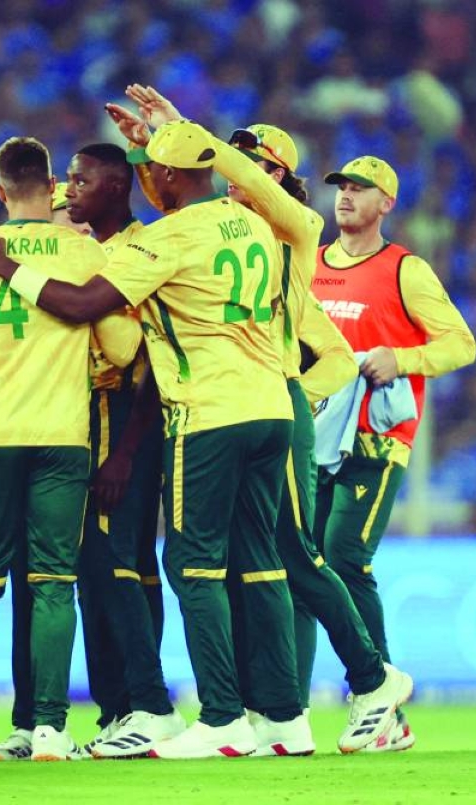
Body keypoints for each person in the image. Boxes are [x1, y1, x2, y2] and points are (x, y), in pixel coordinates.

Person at [0, 120, 309, 759]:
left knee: (177, 562)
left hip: (191, 413)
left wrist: (7, 266)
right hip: (269, 405)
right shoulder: (261, 224)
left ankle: (193, 712)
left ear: (156, 177)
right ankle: (280, 715)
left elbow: (89, 308)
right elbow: (274, 200)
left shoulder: (159, 240)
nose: (69, 191)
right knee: (252, 560)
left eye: (83, 180)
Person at [111, 85, 416, 755]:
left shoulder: (292, 236)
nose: (240, 174)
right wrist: (151, 150)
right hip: (253, 406)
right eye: (234, 161)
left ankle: (368, 678)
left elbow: (336, 357)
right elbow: (173, 206)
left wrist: (297, 395)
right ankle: (282, 711)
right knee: (267, 562)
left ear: (281, 180)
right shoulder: (240, 241)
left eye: (256, 165)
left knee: (292, 559)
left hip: (263, 406)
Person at [0, 136, 139, 763]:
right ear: (53, 189)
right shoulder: (81, 249)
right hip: (62, 436)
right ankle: (49, 727)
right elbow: (125, 349)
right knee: (54, 583)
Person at [313, 155, 476, 751]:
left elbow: (461, 343)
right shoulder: (312, 265)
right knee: (310, 559)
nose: (347, 196)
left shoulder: (405, 269)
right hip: (316, 436)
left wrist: (401, 358)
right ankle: (381, 707)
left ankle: (373, 693)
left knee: (343, 552)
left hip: (376, 438)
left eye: (361, 189)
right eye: (341, 188)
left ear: (387, 203)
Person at [52, 143, 182, 760]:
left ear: (112, 186)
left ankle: (147, 705)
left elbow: (156, 354)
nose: (68, 188)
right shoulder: (94, 249)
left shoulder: (140, 250)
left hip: (124, 420)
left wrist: (127, 451)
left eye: (79, 180)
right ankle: (117, 710)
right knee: (104, 568)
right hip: (88, 419)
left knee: (116, 561)